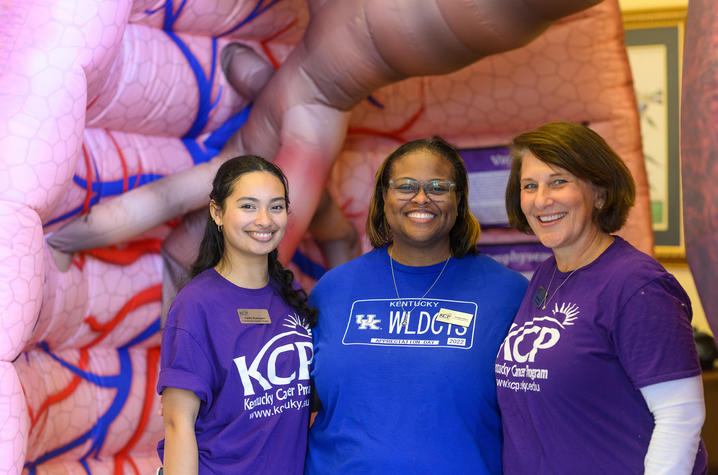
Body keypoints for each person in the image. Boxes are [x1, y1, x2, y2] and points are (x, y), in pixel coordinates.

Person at [305, 137, 529, 473]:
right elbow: (293, 402)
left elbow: (538, 414)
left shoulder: (509, 293)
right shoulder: (333, 289)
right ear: (384, 197)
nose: (421, 198)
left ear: (459, 200)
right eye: (405, 186)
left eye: (438, 187)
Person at [496, 121, 707, 474]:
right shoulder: (548, 274)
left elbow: (680, 416)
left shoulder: (638, 285)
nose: (541, 199)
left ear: (599, 192)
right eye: (529, 186)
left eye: (558, 181)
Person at [157, 155, 316, 474]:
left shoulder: (290, 292)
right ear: (217, 212)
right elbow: (177, 424)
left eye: (276, 206)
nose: (265, 220)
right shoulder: (196, 305)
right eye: (248, 206)